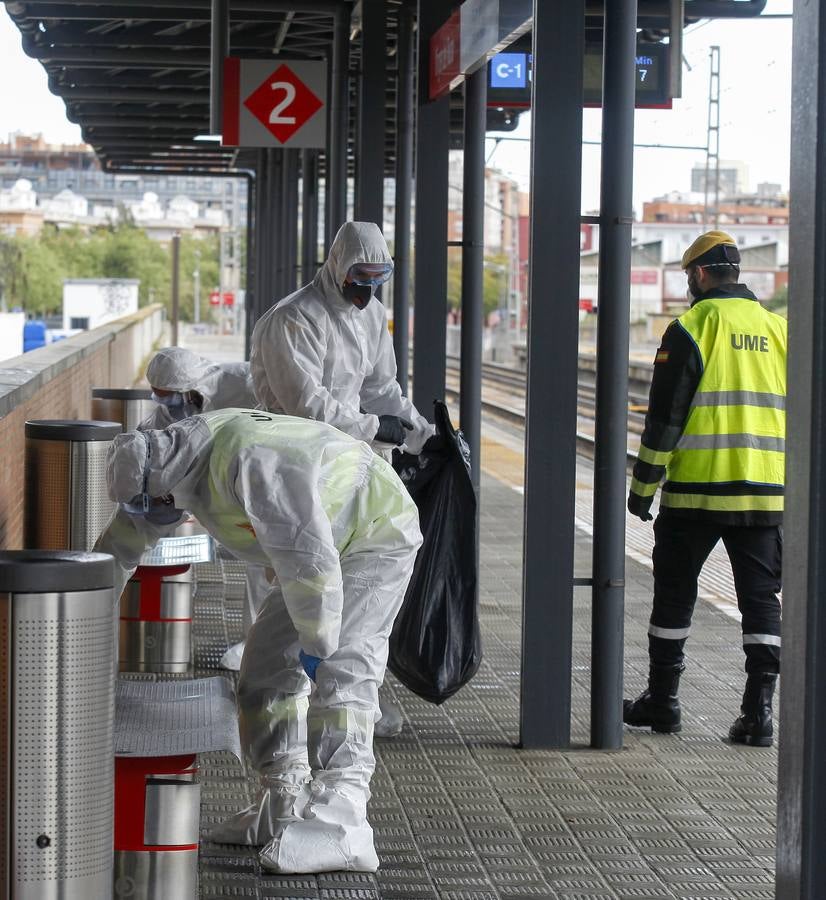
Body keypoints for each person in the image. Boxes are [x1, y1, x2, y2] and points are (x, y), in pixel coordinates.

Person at [95, 408, 422, 872]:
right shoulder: (167, 464)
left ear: (164, 486)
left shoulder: (250, 462)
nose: (153, 516)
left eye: (152, 504)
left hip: (371, 532)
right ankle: (282, 802)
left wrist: (319, 642)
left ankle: (343, 824)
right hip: (318, 552)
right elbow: (122, 545)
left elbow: (310, 562)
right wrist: (79, 614)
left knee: (344, 676)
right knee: (265, 670)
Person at [250, 220, 437, 737]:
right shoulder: (292, 321)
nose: (367, 290)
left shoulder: (372, 315)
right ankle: (296, 694)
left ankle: (344, 698)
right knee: (305, 582)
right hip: (294, 469)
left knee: (348, 585)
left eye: (378, 279)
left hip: (345, 468)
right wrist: (377, 427)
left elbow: (381, 387)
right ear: (337, 266)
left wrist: (422, 432)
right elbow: (305, 405)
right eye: (360, 278)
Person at [624, 231, 786, 748]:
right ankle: (758, 714)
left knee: (674, 597)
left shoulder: (691, 327)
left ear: (697, 274)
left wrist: (643, 488)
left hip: (696, 494)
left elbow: (664, 423)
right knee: (761, 603)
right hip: (764, 496)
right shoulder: (781, 331)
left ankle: (663, 702)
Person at [142, 345, 261, 670]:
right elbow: (154, 432)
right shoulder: (173, 406)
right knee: (258, 560)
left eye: (168, 395)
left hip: (265, 466)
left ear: (188, 388)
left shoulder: (244, 381)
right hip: (231, 476)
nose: (164, 402)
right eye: (158, 395)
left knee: (276, 557)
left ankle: (282, 648)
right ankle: (257, 644)